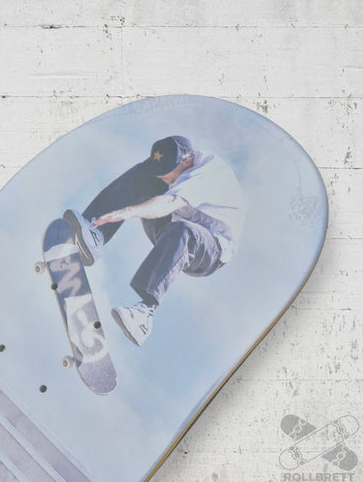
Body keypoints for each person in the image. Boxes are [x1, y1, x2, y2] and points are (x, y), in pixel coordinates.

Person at [64, 136, 245, 346]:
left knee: (184, 230)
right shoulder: (173, 168)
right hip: (171, 232)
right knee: (143, 174)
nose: (161, 175)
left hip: (210, 251)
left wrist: (128, 211)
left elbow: (169, 203)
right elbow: (157, 179)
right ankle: (92, 231)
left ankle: (145, 313)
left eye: (167, 171)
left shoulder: (206, 173)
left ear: (187, 161)